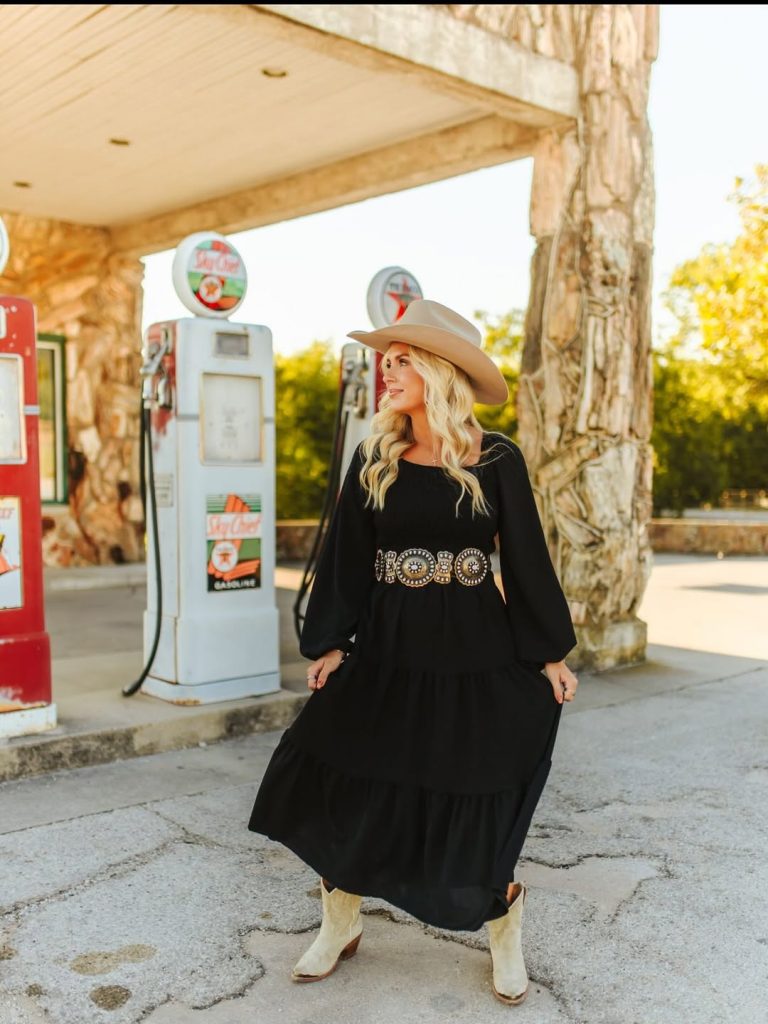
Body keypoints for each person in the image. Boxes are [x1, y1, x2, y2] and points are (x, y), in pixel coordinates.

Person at [248, 298, 578, 1005]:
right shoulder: (375, 456)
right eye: (386, 360)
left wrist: (550, 653)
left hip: (474, 650)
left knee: (473, 783)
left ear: (439, 371)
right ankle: (340, 919)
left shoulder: (496, 458)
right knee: (347, 775)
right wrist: (329, 642)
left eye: (402, 361)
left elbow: (526, 559)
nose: (387, 372)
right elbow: (346, 555)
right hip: (388, 647)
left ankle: (503, 926)